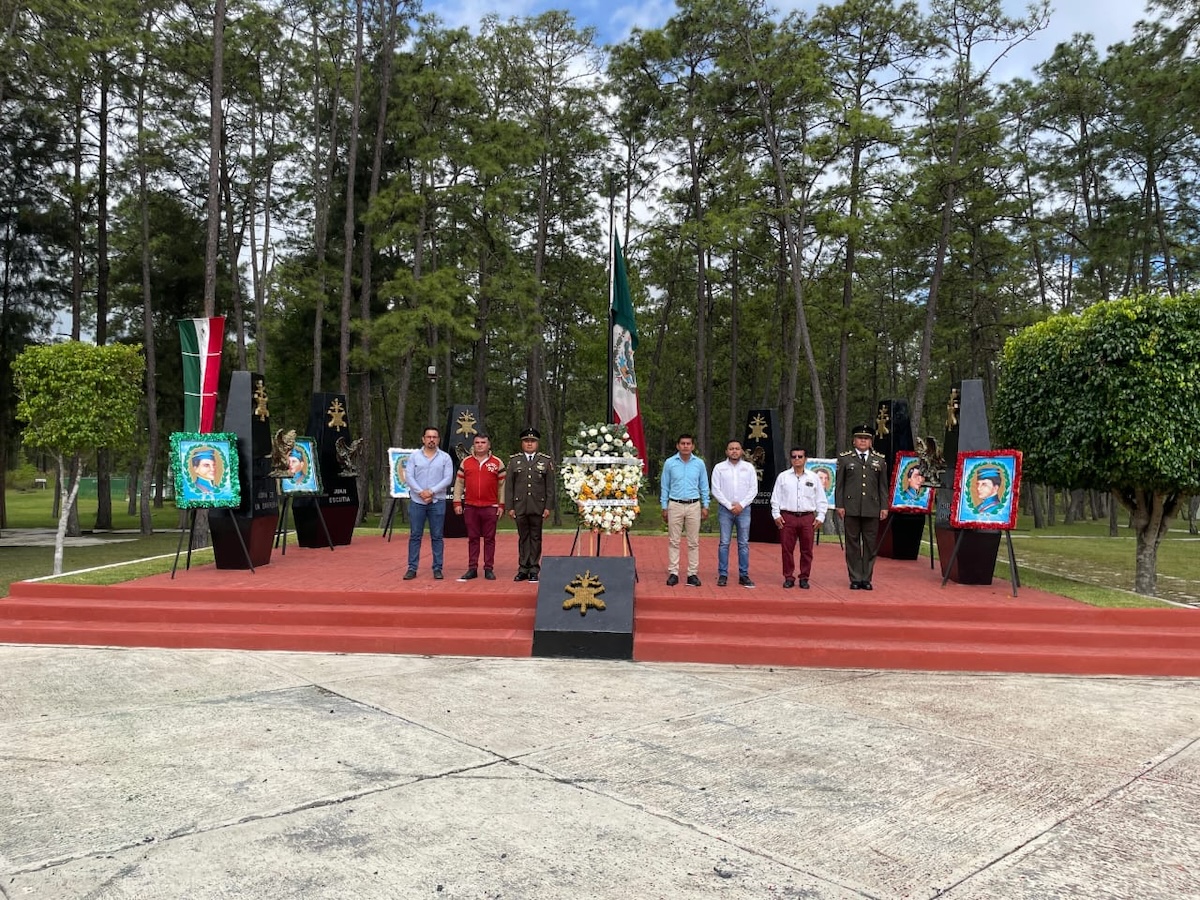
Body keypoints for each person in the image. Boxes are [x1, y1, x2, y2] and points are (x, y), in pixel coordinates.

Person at [835, 424, 889, 591]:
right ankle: (855, 577)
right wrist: (839, 505)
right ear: (854, 441)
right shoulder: (845, 459)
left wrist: (884, 506)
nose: (863, 441)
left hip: (872, 508)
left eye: (866, 438)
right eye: (860, 438)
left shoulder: (879, 460)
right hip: (850, 507)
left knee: (870, 545)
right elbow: (840, 485)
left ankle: (866, 578)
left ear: (871, 442)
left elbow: (883, 486)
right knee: (852, 545)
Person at [769, 447, 828, 589]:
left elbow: (821, 498)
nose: (797, 459)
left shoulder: (813, 477)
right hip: (788, 517)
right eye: (794, 457)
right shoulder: (783, 477)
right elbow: (775, 498)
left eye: (800, 456)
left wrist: (821, 516)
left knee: (807, 550)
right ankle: (788, 577)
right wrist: (776, 515)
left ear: (805, 459)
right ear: (790, 459)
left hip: (807, 517)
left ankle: (804, 577)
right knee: (787, 549)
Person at [403, 426, 454, 581]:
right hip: (417, 501)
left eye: (434, 437)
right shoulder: (414, 457)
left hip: (437, 501)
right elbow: (409, 477)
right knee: (415, 535)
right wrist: (421, 492)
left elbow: (448, 478)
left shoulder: (445, 458)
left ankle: (437, 568)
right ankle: (412, 568)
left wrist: (431, 491)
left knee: (437, 536)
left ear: (438, 440)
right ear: (423, 439)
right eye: (429, 437)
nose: (431, 440)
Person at [505, 427, 555, 582]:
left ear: (537, 443)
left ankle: (534, 568)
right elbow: (509, 486)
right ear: (522, 443)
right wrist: (510, 507)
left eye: (532, 441)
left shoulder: (545, 461)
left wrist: (548, 507)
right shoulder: (514, 461)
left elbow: (550, 487)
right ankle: (523, 568)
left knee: (535, 537)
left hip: (537, 506)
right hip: (520, 506)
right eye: (526, 441)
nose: (529, 444)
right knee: (523, 537)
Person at [453, 433, 506, 580]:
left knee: (489, 539)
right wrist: (457, 502)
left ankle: (488, 568)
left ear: (488, 445)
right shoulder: (466, 462)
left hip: (491, 506)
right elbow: (459, 484)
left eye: (483, 442)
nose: (480, 445)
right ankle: (472, 568)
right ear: (473, 445)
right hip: (471, 506)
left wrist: (501, 505)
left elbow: (502, 486)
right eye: (477, 442)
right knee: (473, 538)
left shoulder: (497, 463)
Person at [659, 433, 709, 586]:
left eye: (688, 444)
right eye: (683, 443)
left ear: (693, 446)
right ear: (678, 445)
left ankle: (692, 574)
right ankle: (673, 572)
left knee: (693, 542)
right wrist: (664, 506)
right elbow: (665, 486)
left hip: (694, 505)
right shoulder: (670, 463)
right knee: (674, 541)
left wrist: (705, 505)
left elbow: (704, 485)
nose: (685, 446)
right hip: (675, 504)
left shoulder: (699, 464)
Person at [710, 439, 757, 588]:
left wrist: (741, 505)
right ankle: (723, 574)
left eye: (737, 448)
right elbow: (715, 489)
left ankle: (744, 575)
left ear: (741, 451)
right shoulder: (719, 468)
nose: (734, 451)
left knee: (743, 543)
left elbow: (753, 489)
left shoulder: (749, 468)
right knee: (724, 543)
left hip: (744, 510)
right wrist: (729, 505)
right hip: (725, 510)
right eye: (731, 449)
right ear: (726, 451)